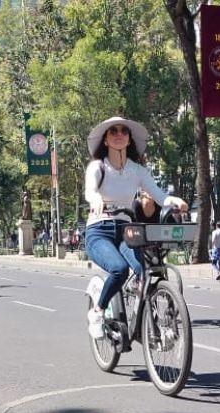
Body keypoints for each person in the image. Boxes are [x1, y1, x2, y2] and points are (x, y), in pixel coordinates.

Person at [83, 115, 188, 338]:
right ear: (105, 140)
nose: (119, 135)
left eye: (124, 131)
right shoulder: (97, 166)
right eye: (113, 132)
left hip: (127, 231)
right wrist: (96, 200)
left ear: (129, 140)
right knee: (119, 269)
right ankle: (98, 311)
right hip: (99, 231)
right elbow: (90, 191)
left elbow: (160, 196)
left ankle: (150, 324)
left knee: (144, 269)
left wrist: (175, 201)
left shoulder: (138, 171)